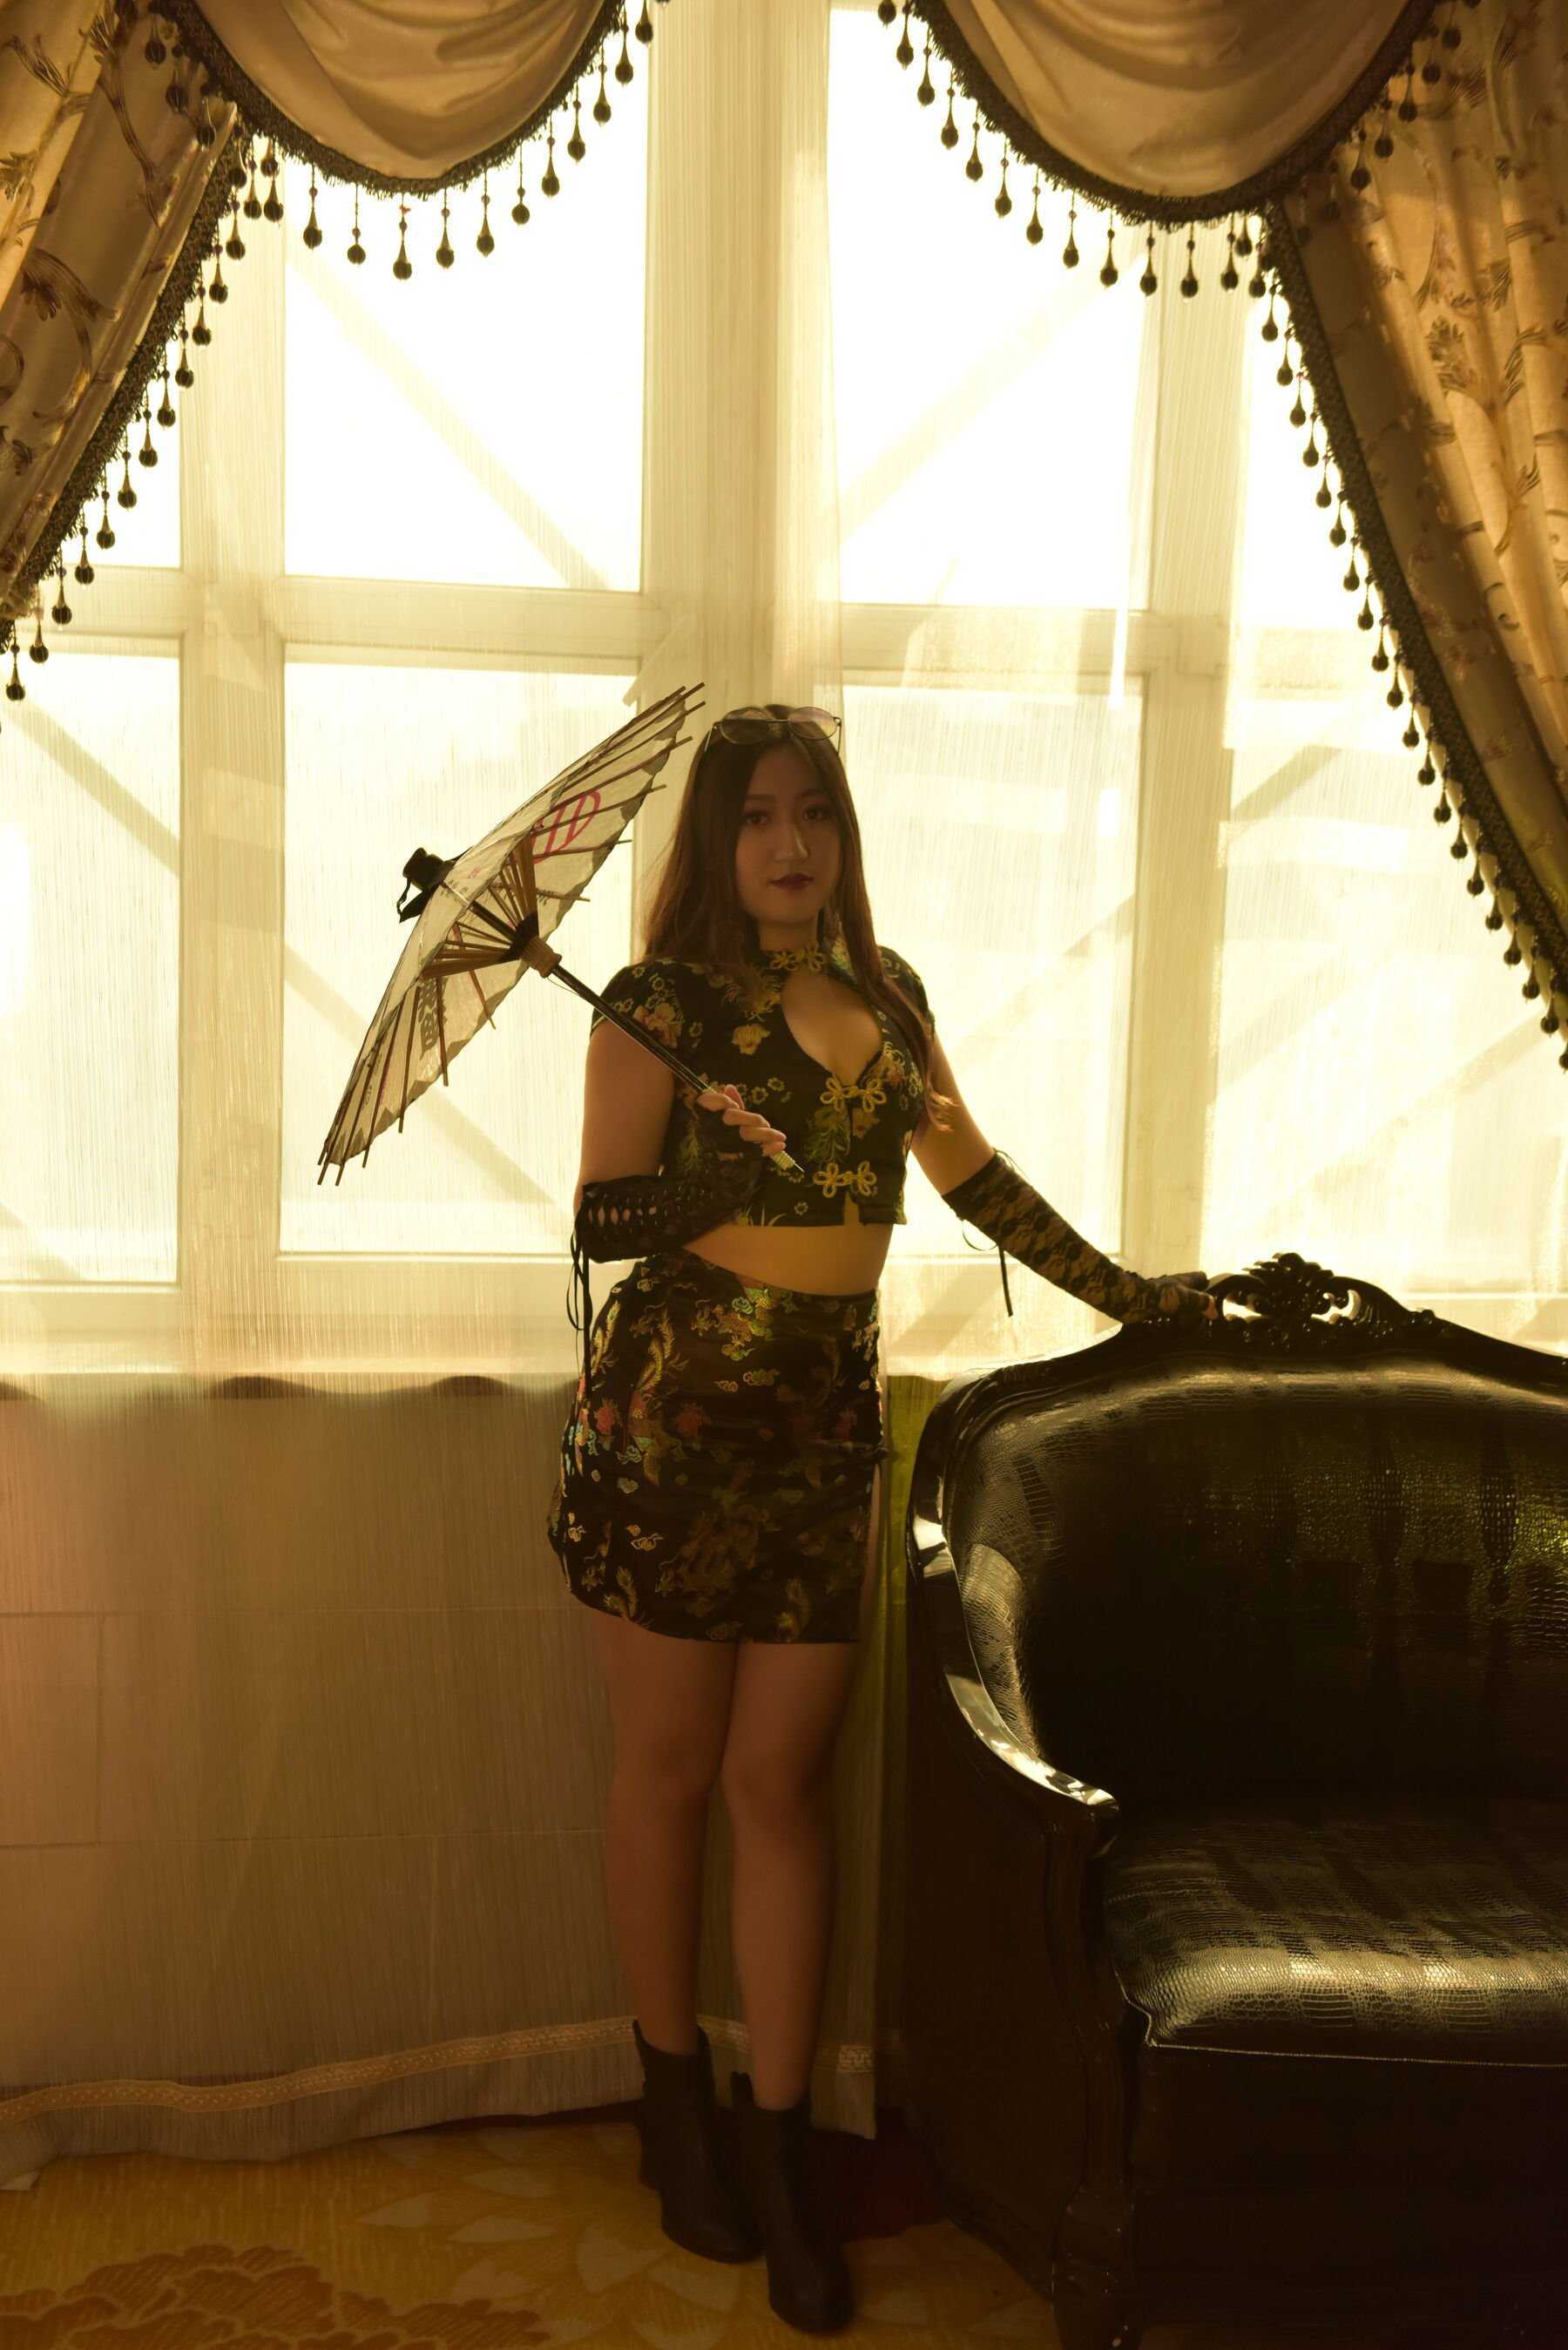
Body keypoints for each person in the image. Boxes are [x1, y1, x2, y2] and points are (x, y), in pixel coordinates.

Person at [544, 702, 1216, 2335]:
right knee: (670, 1771)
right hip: (669, 1430)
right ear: (716, 843)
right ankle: (673, 2110)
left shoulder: (889, 994)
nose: (790, 844)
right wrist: (726, 1172)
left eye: (815, 814)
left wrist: (1135, 1295)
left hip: (823, 1434)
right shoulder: (653, 1005)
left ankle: (783, 2150)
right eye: (757, 816)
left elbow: (972, 1173)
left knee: (782, 1783)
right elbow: (603, 1220)